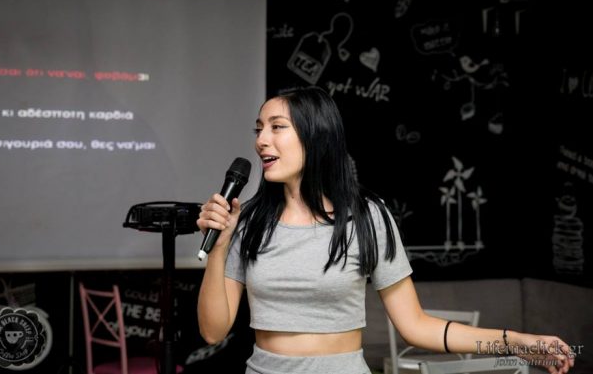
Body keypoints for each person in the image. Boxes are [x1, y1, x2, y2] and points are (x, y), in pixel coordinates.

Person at [196, 86, 575, 374]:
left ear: (316, 136)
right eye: (259, 129)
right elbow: (213, 332)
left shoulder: (367, 217)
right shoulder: (248, 221)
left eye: (277, 127)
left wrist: (516, 343)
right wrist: (220, 246)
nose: (261, 140)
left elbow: (417, 326)